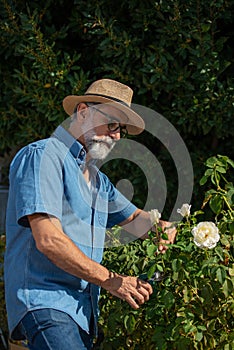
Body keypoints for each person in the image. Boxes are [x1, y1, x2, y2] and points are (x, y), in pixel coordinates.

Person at [4, 79, 176, 350]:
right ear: (83, 111)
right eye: (112, 124)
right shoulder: (42, 156)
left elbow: (135, 220)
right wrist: (113, 281)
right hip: (46, 303)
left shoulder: (98, 181)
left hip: (82, 314)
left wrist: (162, 226)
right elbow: (48, 239)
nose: (117, 135)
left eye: (121, 129)